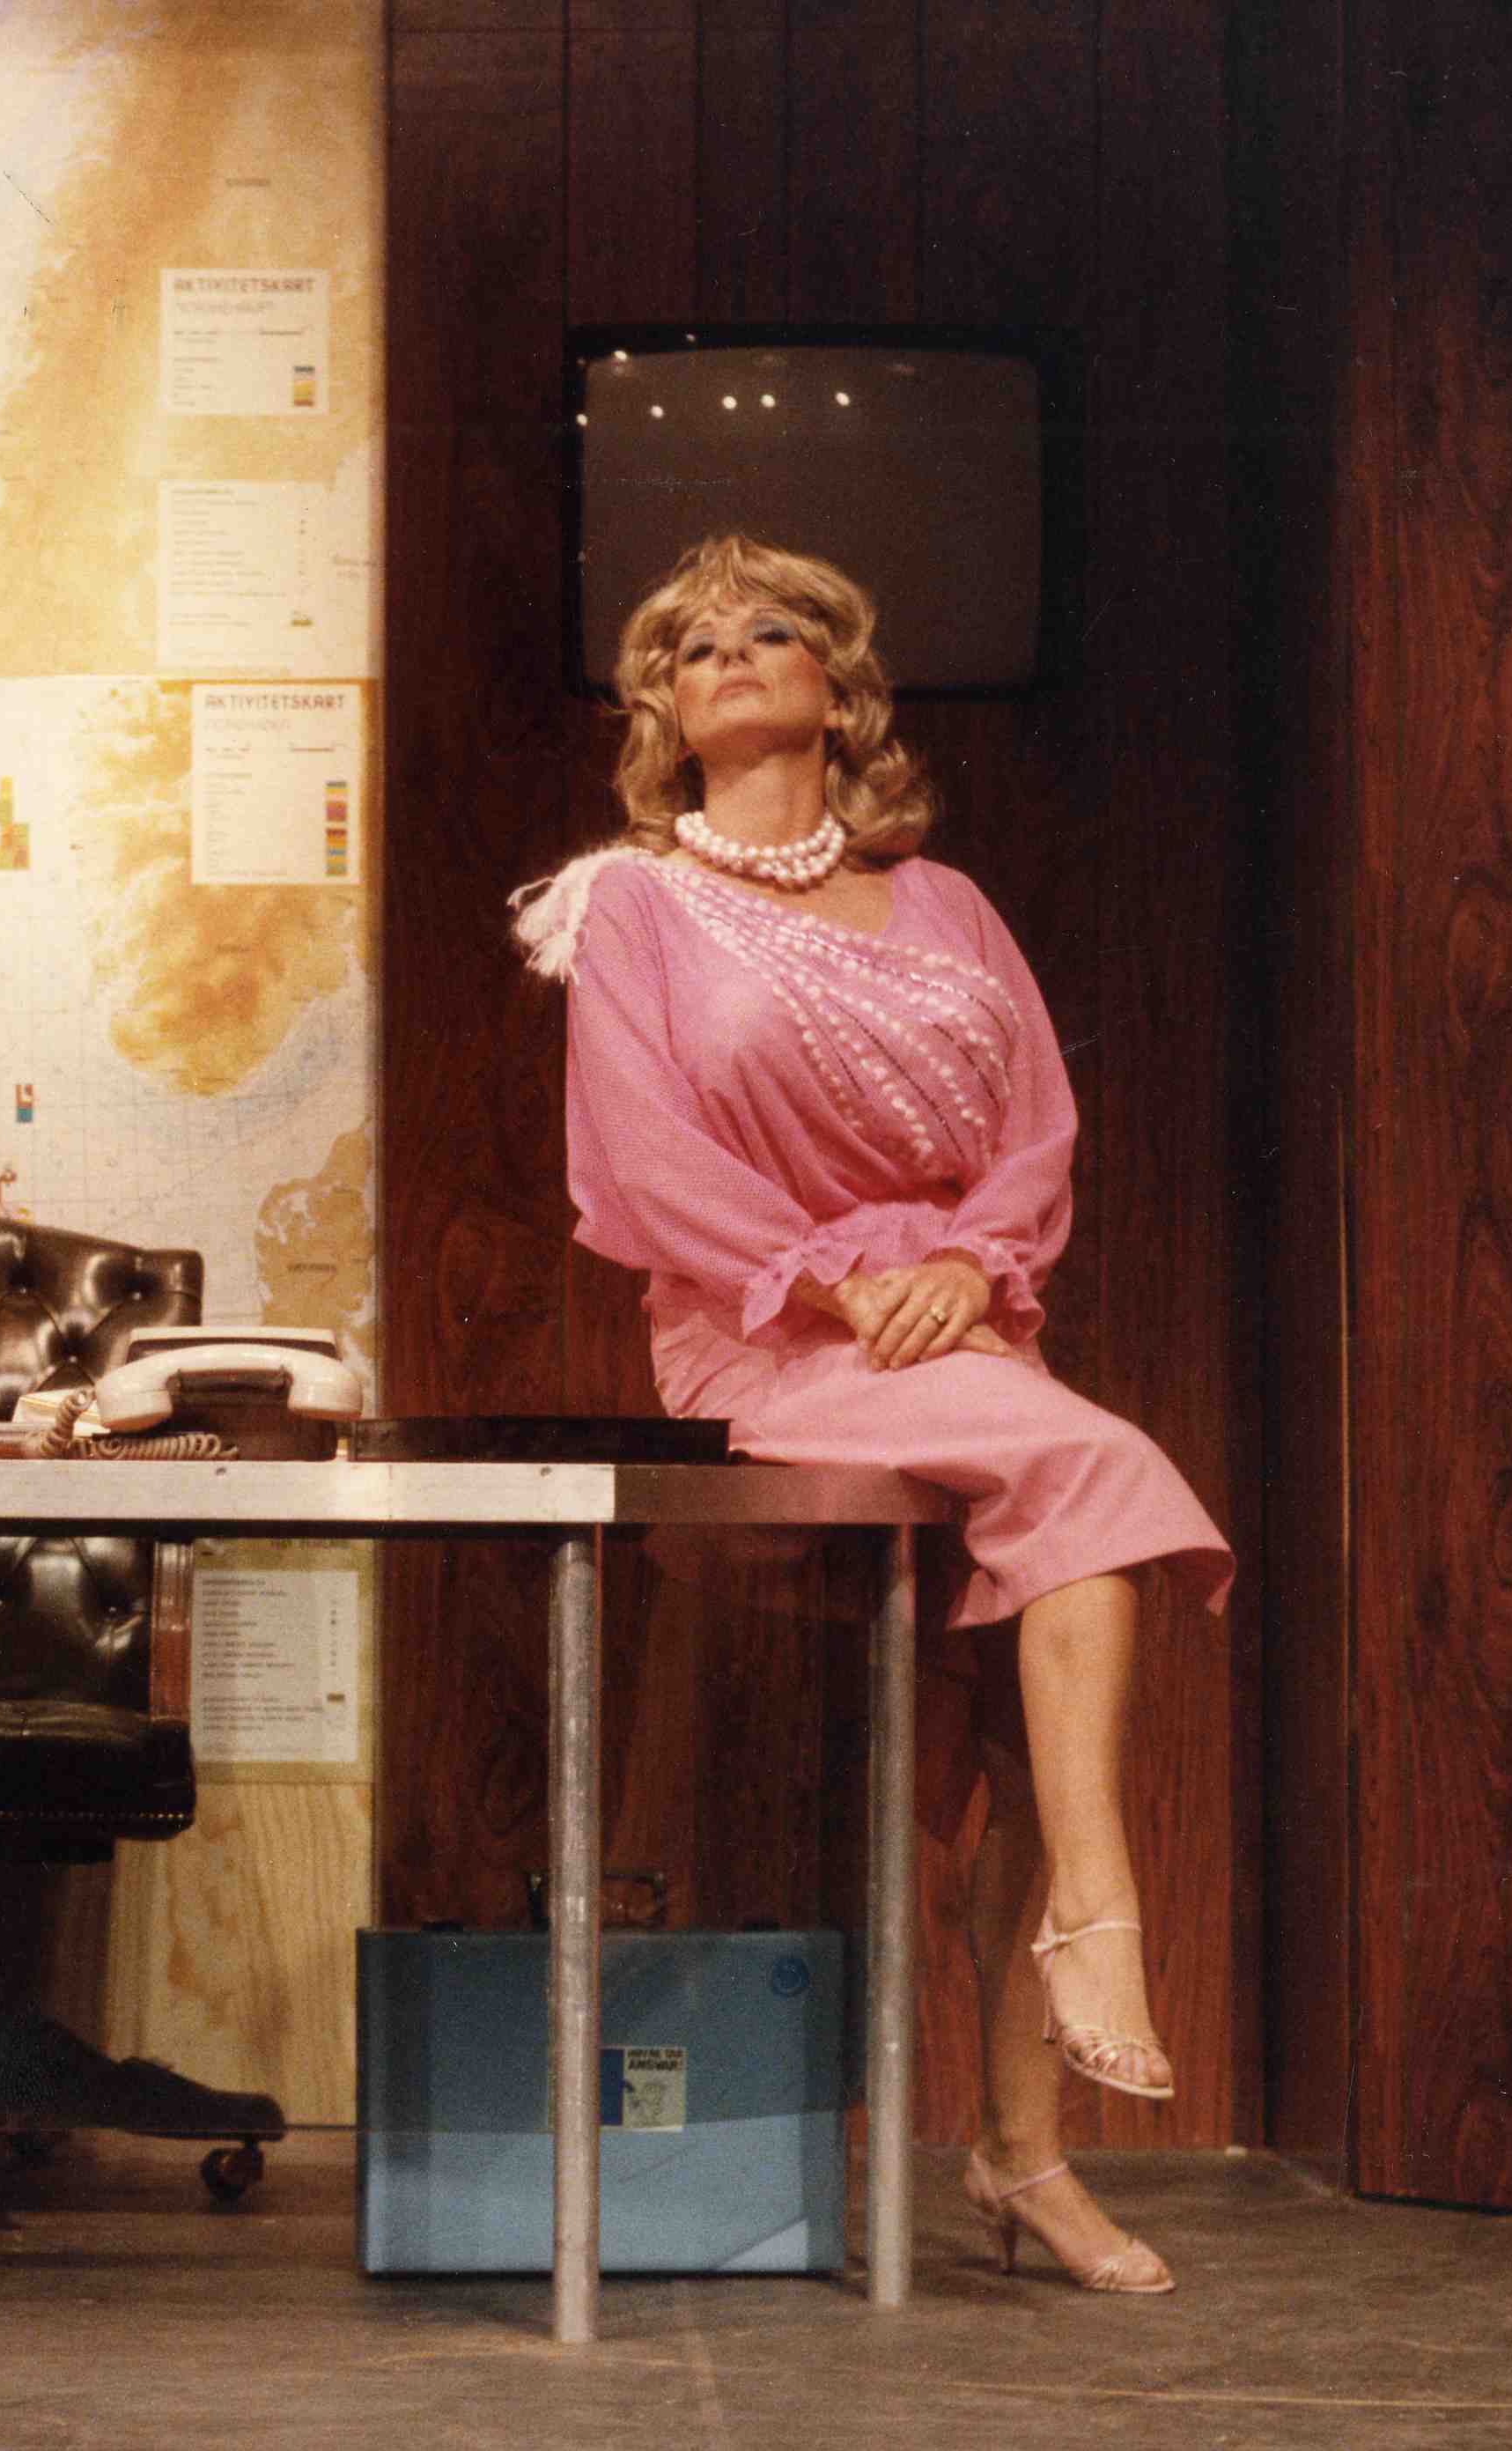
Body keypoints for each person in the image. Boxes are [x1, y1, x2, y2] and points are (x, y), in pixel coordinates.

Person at [511, 534, 1229, 2295]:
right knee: (1102, 1468)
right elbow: (645, 1165)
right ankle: (1101, 1909)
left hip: (958, 1334)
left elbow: (1037, 1132)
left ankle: (1021, 2157)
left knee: (1034, 1659)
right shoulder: (634, 906)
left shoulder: (949, 903)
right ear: (664, 710)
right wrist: (846, 1285)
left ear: (837, 688)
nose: (730, 654)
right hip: (774, 1334)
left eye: (771, 630)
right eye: (691, 645)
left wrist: (972, 1267)